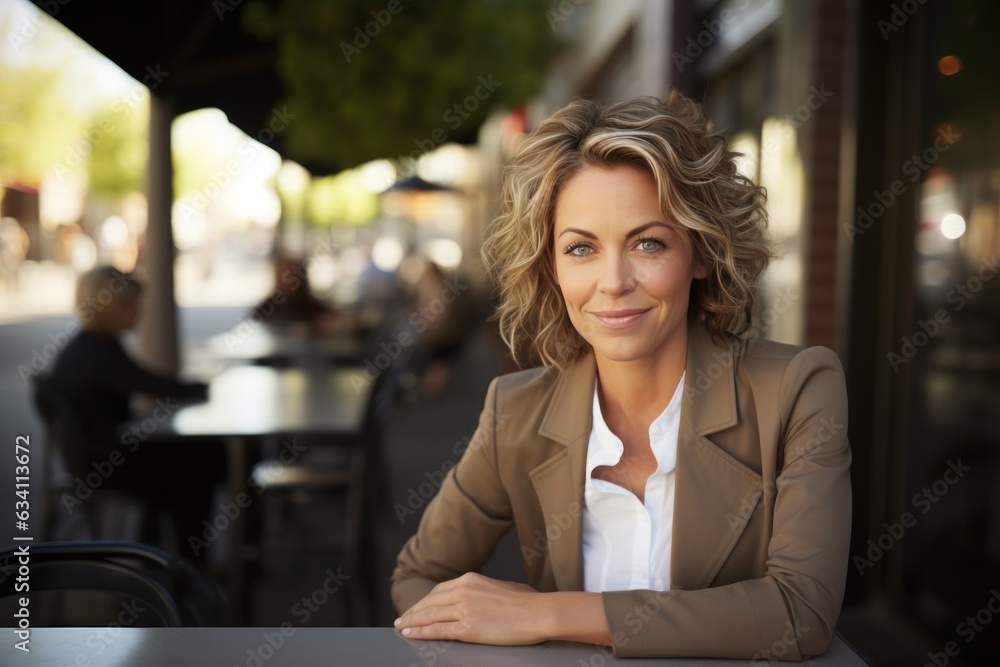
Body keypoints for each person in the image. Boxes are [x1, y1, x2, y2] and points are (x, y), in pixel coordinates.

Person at [391, 91, 852, 659]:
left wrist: (545, 614)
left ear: (701, 252)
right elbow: (419, 578)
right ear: (552, 267)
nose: (613, 280)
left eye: (648, 243)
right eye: (581, 248)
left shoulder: (798, 392)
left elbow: (799, 612)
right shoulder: (515, 411)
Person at [47, 265, 224, 564]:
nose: (138, 313)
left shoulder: (90, 345)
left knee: (195, 458)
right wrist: (202, 388)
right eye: (130, 306)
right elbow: (152, 385)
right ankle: (187, 568)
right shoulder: (97, 353)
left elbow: (145, 383)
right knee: (204, 463)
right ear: (109, 308)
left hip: (96, 460)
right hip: (102, 468)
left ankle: (159, 556)